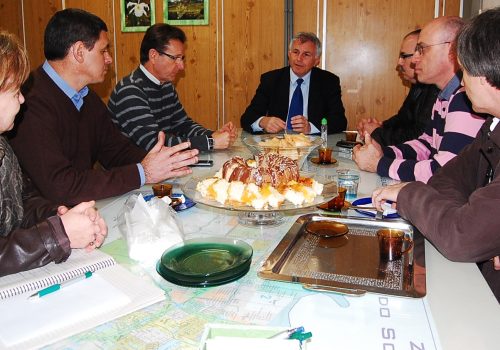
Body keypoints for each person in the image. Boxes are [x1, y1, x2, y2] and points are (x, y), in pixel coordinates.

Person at [371, 7, 500, 302]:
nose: (461, 80)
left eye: (464, 69)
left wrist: (409, 193)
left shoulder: (471, 110)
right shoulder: (492, 127)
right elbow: (449, 176)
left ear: (484, 71)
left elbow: (460, 237)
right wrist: (479, 224)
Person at [9, 9, 199, 206]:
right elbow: (61, 186)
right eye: (103, 51)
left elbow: (115, 151)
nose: (109, 59)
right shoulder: (28, 101)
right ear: (79, 52)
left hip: (81, 210)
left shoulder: (87, 98)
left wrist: (161, 162)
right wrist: (143, 172)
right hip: (45, 224)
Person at [0, 30, 107, 276]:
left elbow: (23, 202)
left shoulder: (3, 144)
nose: (23, 100)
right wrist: (58, 234)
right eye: (16, 91)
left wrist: (61, 215)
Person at [353, 16, 485, 183]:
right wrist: (384, 152)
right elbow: (426, 145)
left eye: (422, 49)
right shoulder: (444, 96)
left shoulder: (465, 100)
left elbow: (445, 172)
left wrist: (380, 164)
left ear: (452, 50)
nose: (414, 59)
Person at [108, 23, 237, 152]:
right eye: (175, 58)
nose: (181, 66)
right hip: (132, 169)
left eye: (182, 58)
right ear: (153, 55)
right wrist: (210, 142)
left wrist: (211, 135)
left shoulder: (166, 86)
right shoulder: (130, 91)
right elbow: (155, 145)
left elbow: (183, 125)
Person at [240, 32, 347, 135]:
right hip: (278, 145)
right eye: (295, 52)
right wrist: (262, 122)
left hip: (312, 145)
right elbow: (247, 118)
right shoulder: (271, 80)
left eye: (306, 54)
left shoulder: (328, 82)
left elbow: (339, 121)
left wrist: (310, 128)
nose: (299, 59)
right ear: (289, 54)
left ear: (316, 61)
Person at [357, 30, 440, 146]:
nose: (399, 62)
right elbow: (402, 119)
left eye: (404, 56)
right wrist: (380, 126)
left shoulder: (436, 88)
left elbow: (419, 136)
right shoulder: (418, 85)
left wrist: (377, 132)